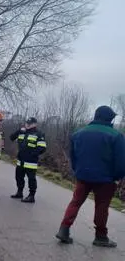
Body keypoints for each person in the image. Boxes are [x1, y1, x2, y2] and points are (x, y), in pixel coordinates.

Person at [55, 106, 125, 247]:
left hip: (83, 176)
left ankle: (64, 229)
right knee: (101, 206)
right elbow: (121, 161)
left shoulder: (78, 133)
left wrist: (77, 171)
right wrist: (117, 177)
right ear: (109, 118)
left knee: (76, 202)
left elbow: (73, 156)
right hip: (106, 179)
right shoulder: (116, 136)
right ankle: (100, 236)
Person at [9, 117, 47, 203]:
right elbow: (11, 138)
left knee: (31, 179)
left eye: (30, 123)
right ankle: (19, 192)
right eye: (27, 123)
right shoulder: (22, 132)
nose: (28, 125)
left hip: (31, 162)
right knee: (18, 177)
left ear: (35, 124)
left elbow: (42, 148)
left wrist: (32, 154)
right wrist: (19, 130)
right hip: (20, 161)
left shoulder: (39, 134)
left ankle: (31, 196)